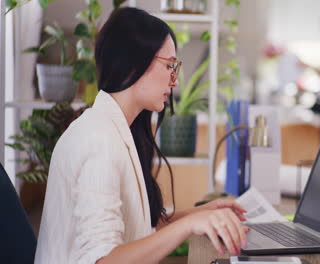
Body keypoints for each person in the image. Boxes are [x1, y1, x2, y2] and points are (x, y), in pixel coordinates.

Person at [35, 7, 248, 264]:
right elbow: (103, 259)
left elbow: (137, 225)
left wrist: (202, 214)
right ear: (134, 64)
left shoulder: (117, 128)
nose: (175, 81)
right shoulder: (99, 140)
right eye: (169, 65)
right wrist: (190, 224)